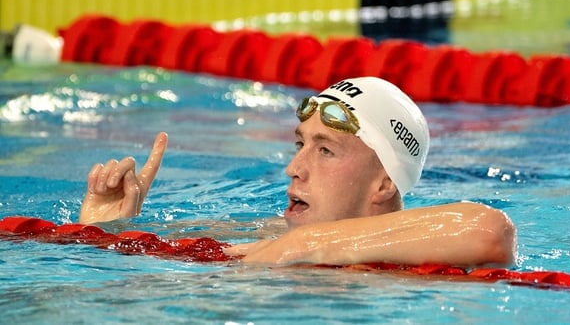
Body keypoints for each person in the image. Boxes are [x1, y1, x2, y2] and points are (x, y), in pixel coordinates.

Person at [80, 77, 516, 268]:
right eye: (299, 144)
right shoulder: (261, 232)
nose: (293, 168)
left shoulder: (432, 257)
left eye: (325, 150)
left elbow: (490, 230)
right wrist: (103, 233)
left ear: (385, 182)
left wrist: (309, 243)